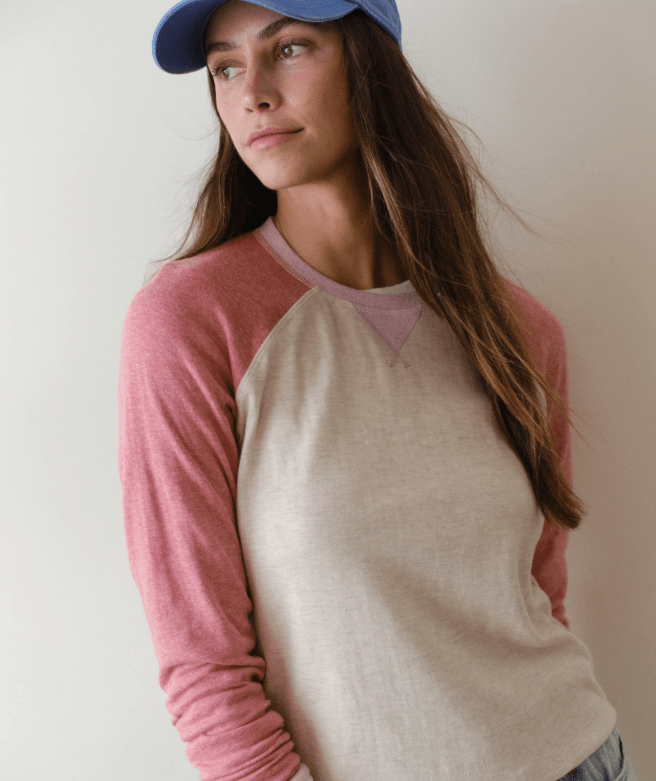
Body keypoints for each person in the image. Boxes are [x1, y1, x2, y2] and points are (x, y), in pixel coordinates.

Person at [118, 1, 639, 780]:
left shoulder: (520, 332)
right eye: (225, 67)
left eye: (289, 48)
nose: (252, 92)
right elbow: (203, 662)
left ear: (369, 62)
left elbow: (537, 589)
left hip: (579, 755)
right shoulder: (193, 320)